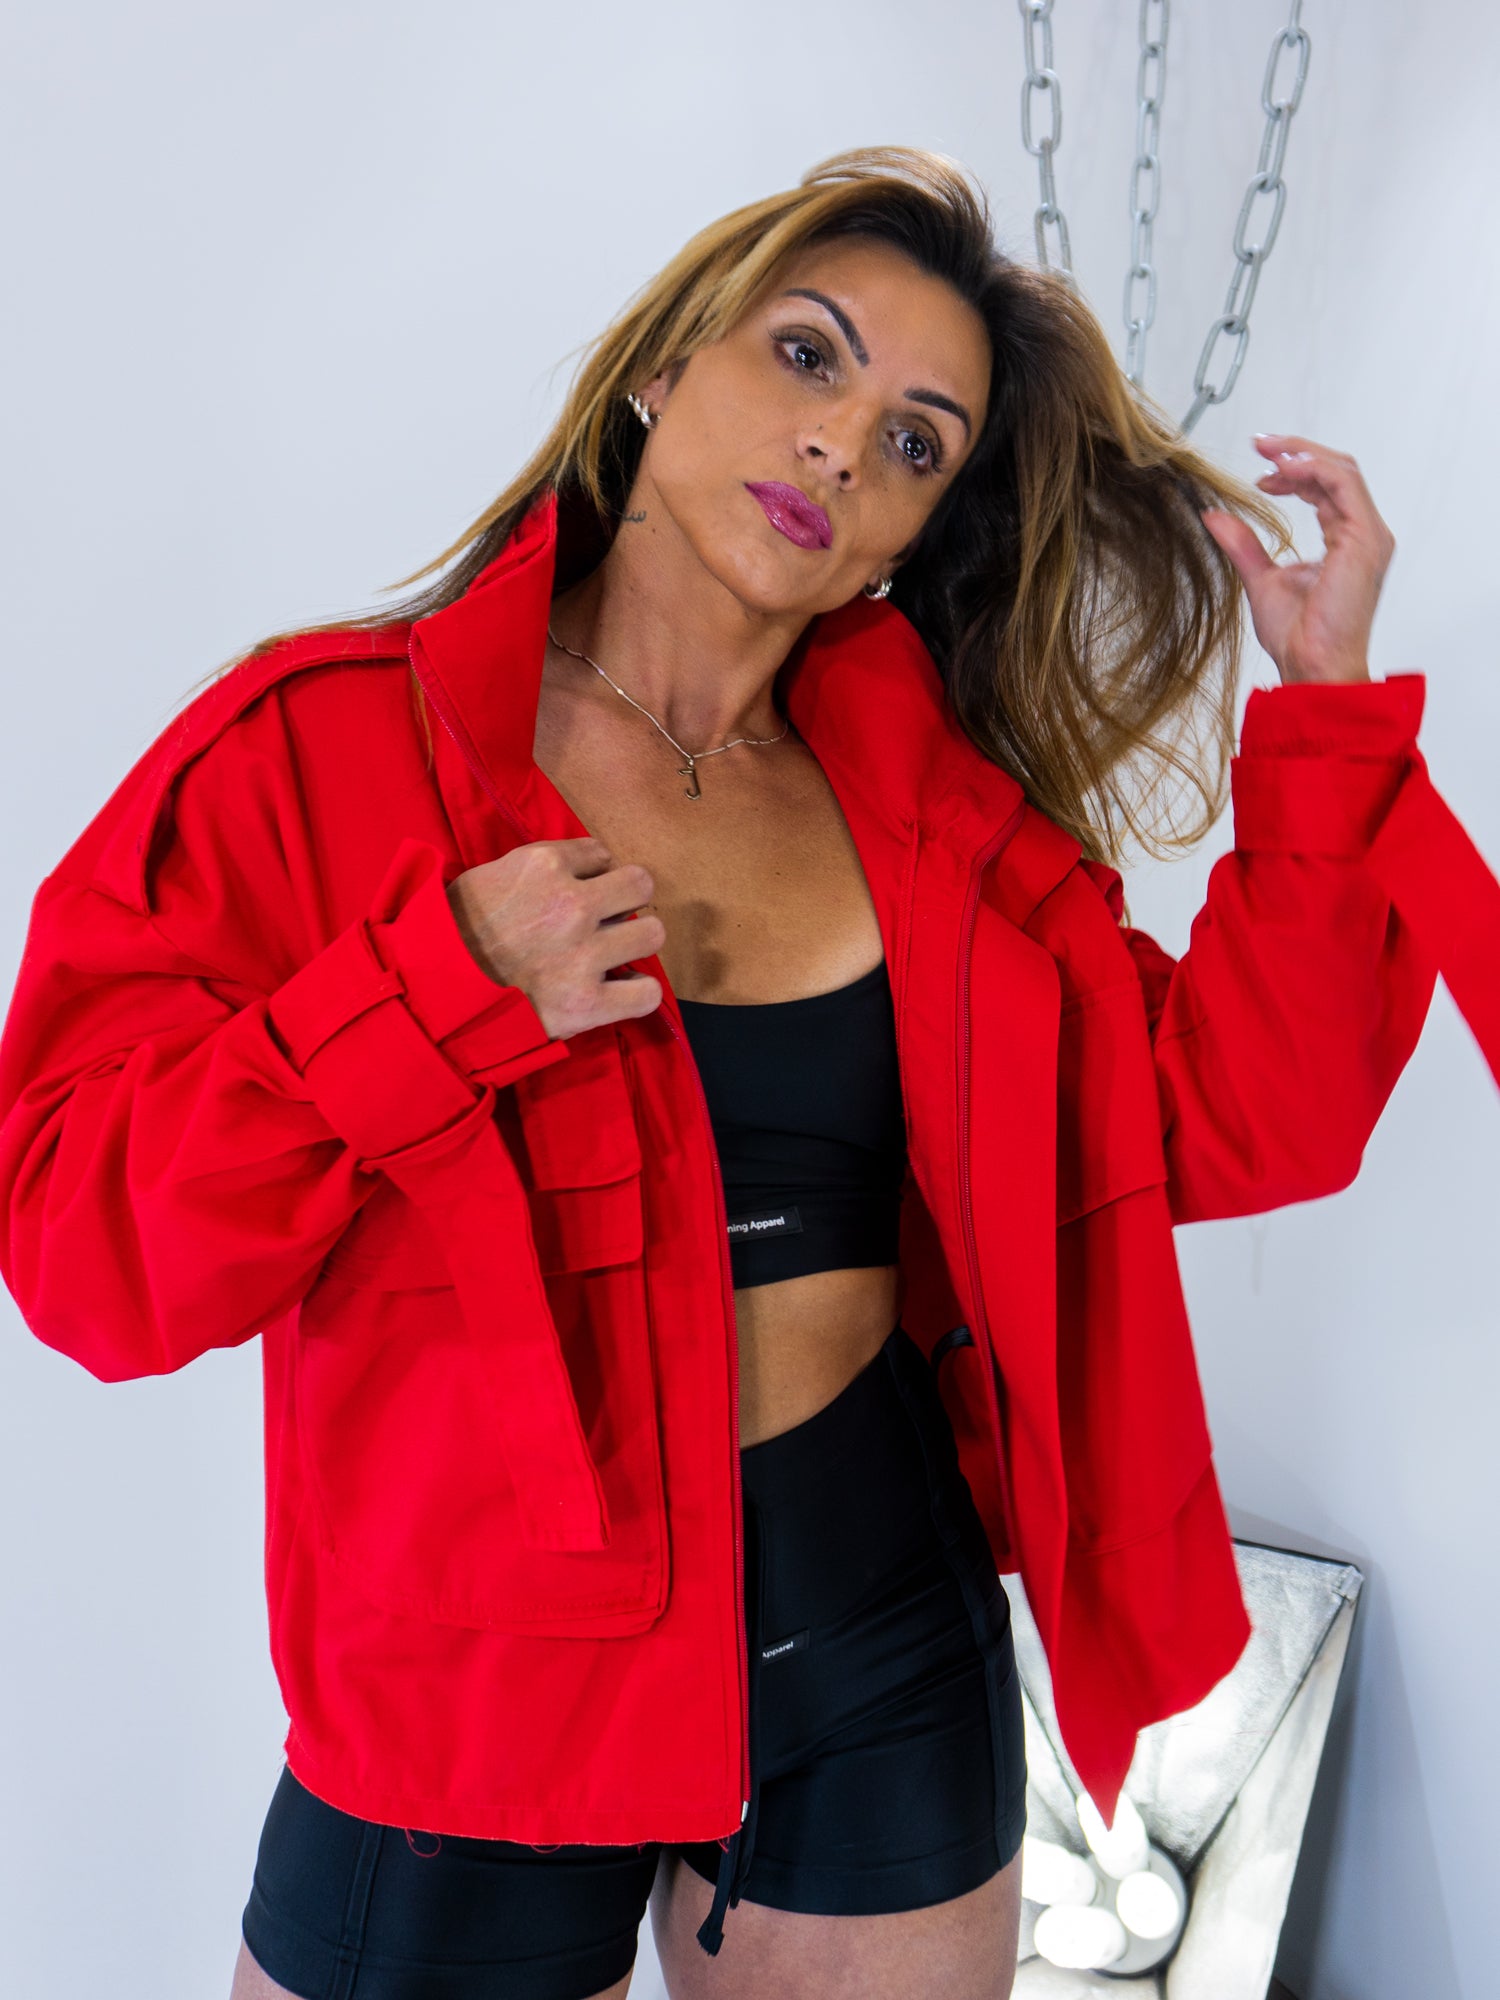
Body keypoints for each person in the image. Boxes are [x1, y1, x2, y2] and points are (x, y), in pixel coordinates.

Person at [0, 145, 1487, 2000]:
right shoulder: (321, 751)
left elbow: (1242, 1113)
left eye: (918, 440)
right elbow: (82, 1250)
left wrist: (1326, 710)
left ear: (912, 532)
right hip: (476, 1679)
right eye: (807, 355)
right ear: (662, 364)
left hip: (878, 1637)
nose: (846, 444)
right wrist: (435, 988)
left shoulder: (945, 826)